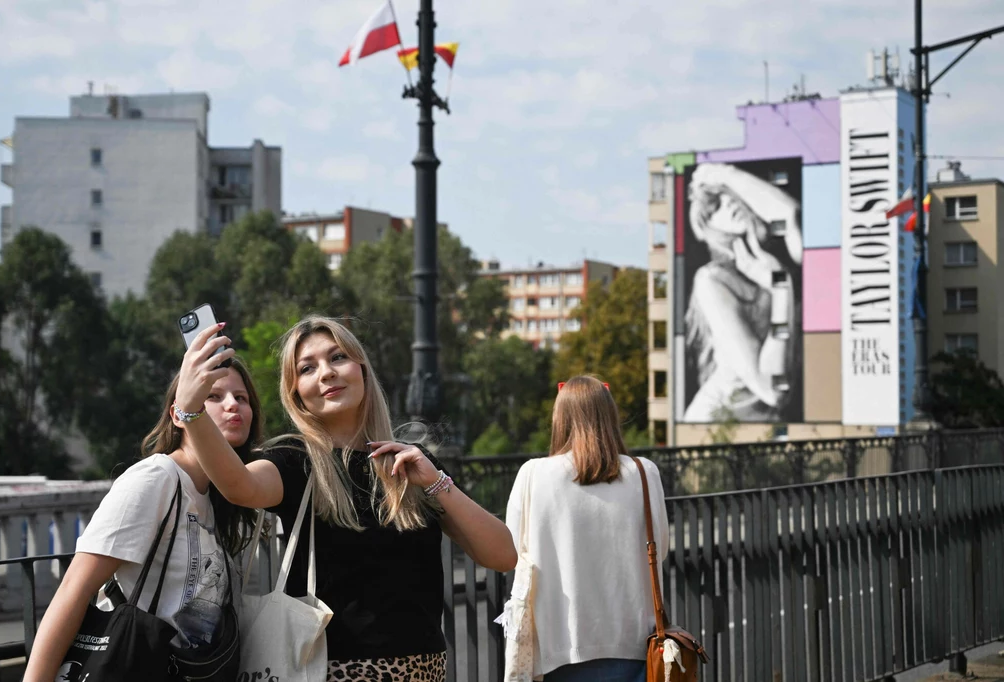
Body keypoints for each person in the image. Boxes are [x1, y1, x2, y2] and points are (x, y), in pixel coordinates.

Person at [173, 315, 517, 681]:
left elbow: (502, 554)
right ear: (296, 393)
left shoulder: (407, 462)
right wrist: (191, 410)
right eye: (307, 368)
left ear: (362, 370)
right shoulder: (293, 460)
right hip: (332, 671)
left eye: (337, 358)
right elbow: (238, 485)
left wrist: (436, 481)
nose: (326, 373)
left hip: (425, 671)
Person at [25, 357, 265, 682]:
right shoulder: (156, 478)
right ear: (178, 415)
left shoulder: (220, 496)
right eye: (213, 395)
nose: (232, 406)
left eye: (242, 398)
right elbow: (74, 589)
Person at [505, 376, 669, 682]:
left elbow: (509, 552)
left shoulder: (533, 475)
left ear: (560, 418)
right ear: (610, 417)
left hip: (559, 649)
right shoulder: (645, 473)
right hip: (636, 646)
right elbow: (660, 547)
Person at [683, 161, 803, 423]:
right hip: (716, 424)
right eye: (713, 207)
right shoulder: (713, 280)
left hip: (765, 427)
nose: (727, 204)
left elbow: (792, 214)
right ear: (710, 227)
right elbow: (773, 389)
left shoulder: (782, 256)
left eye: (726, 195)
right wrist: (781, 289)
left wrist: (725, 175)